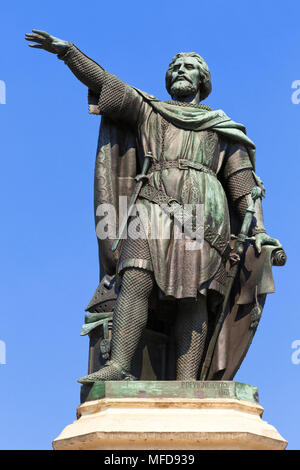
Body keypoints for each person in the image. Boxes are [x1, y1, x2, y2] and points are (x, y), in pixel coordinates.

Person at [25, 30, 282, 383]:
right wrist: (70, 54)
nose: (180, 70)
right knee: (134, 276)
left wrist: (261, 233)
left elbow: (243, 187)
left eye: (189, 67)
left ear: (203, 81)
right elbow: (108, 84)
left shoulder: (222, 127)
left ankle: (187, 382)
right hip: (151, 204)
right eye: (175, 66)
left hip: (204, 216)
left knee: (194, 296)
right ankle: (118, 366)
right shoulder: (150, 111)